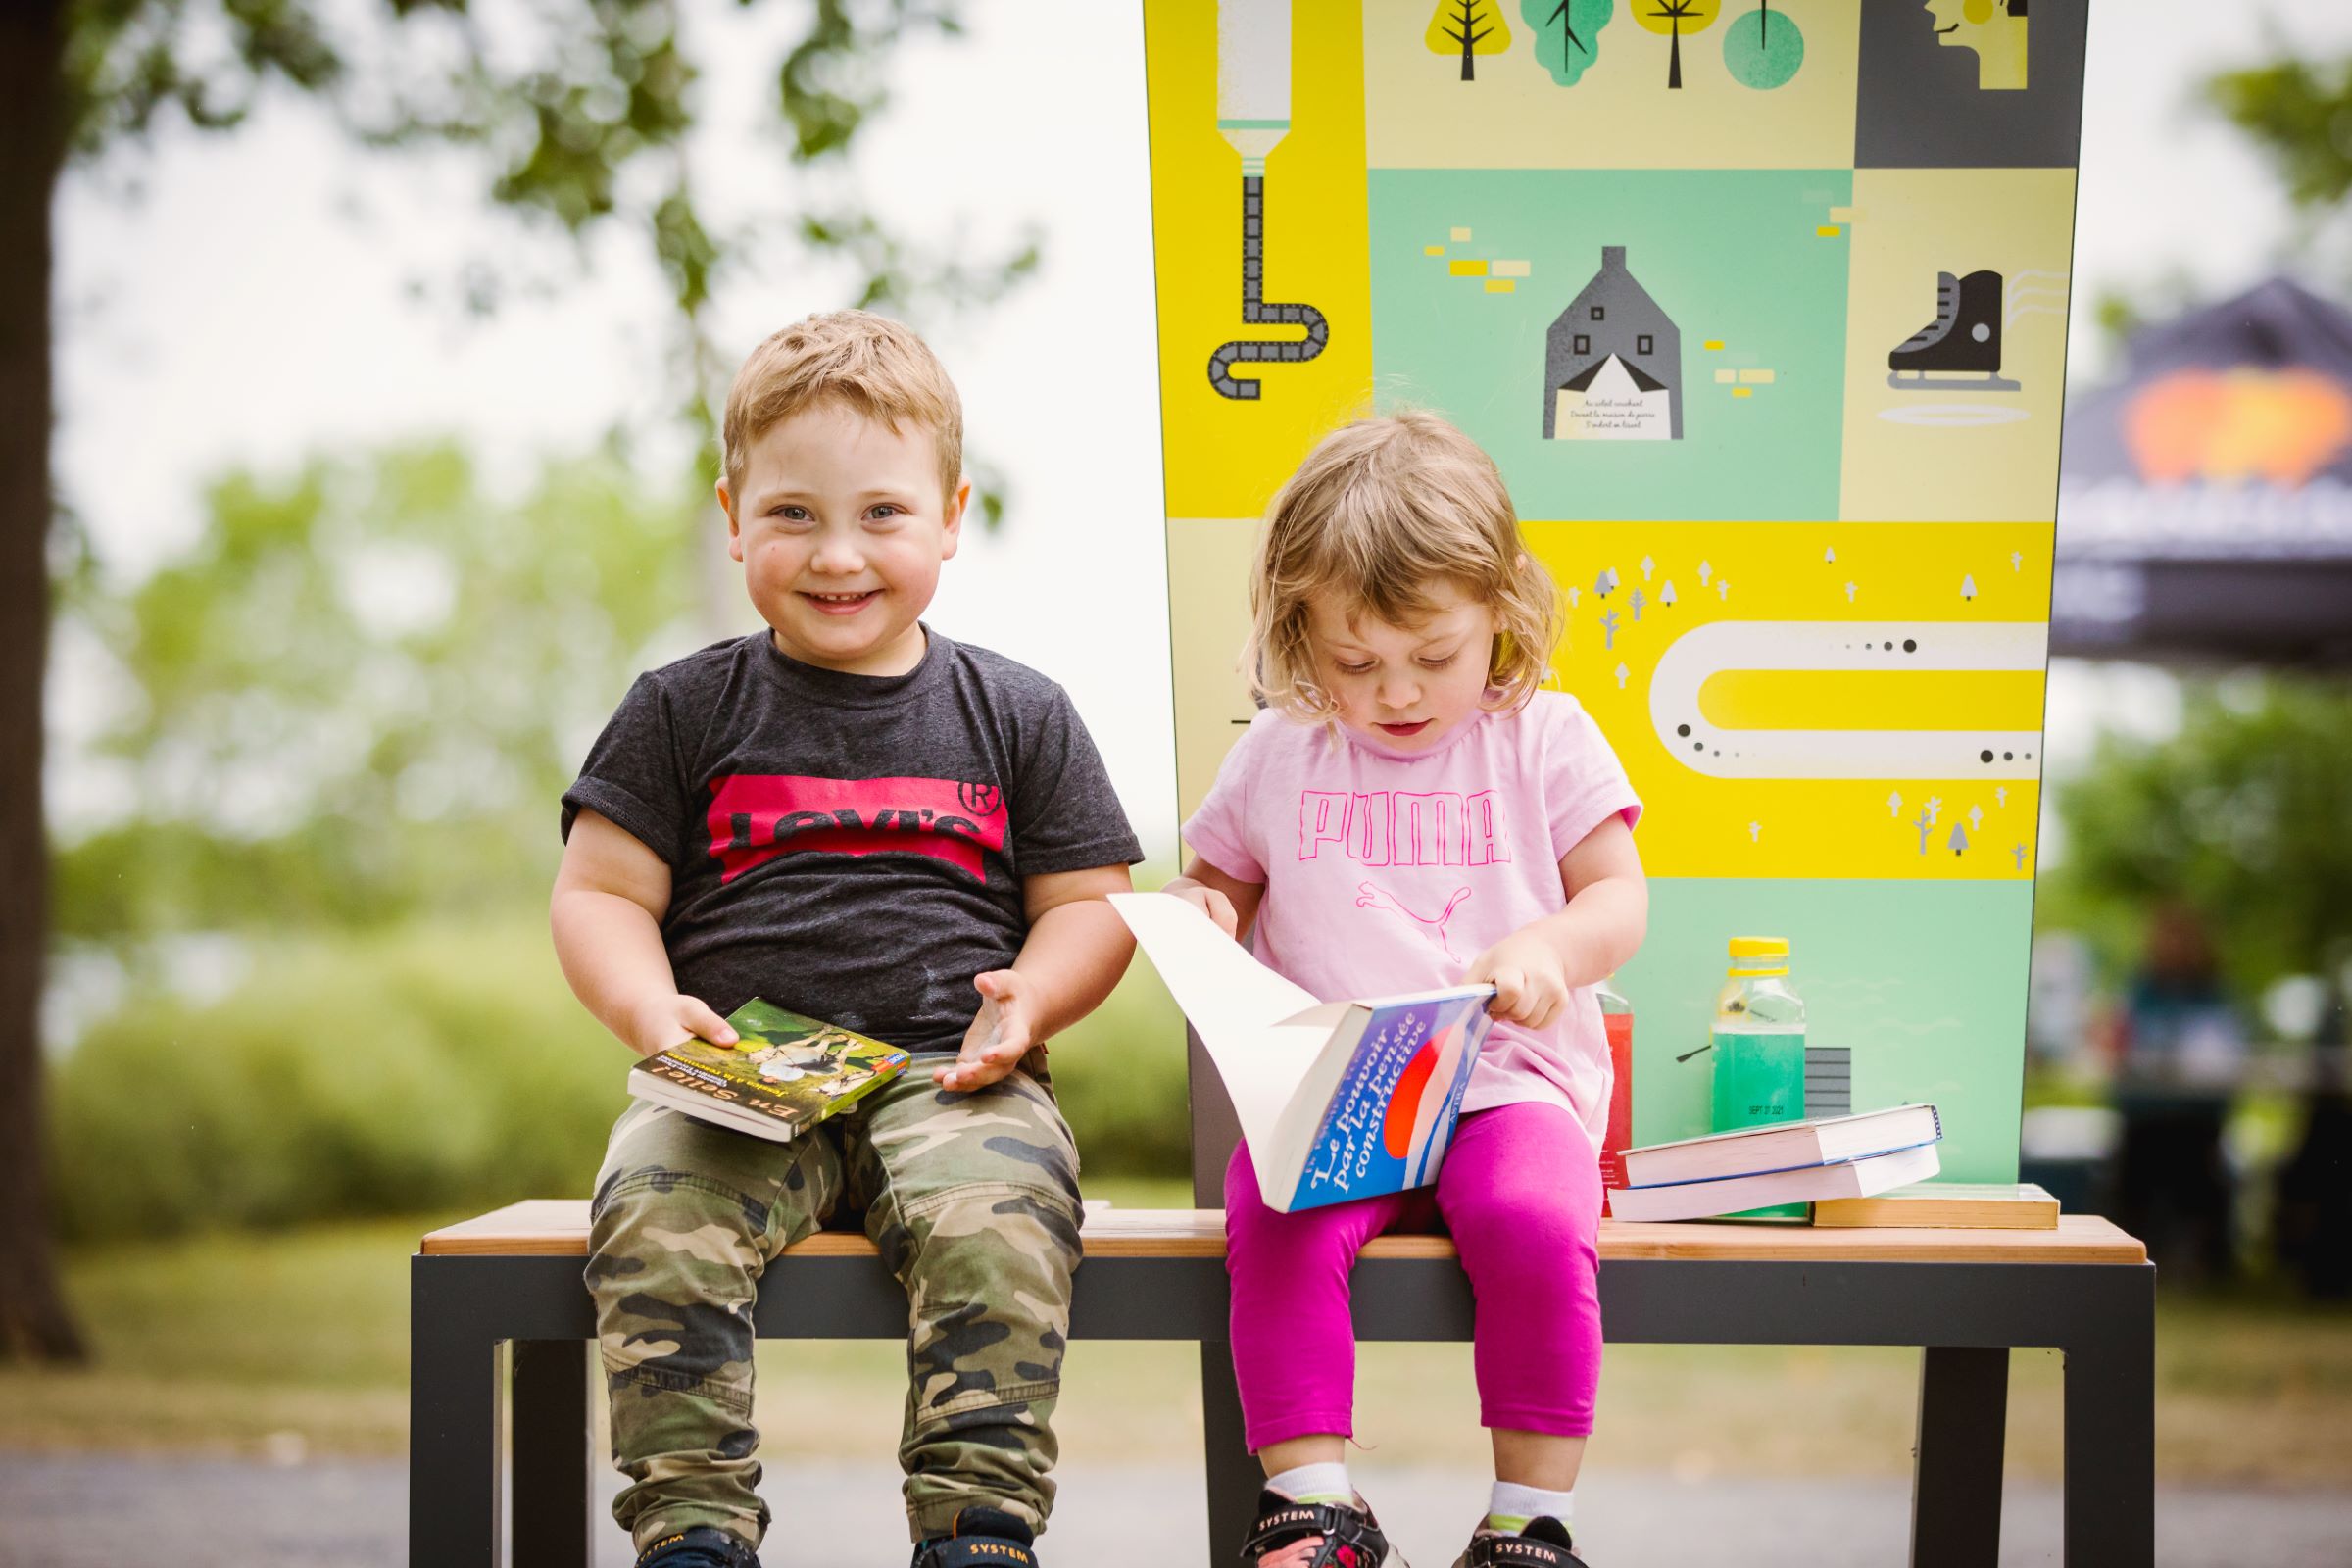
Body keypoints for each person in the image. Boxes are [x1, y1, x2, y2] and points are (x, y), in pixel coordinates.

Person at [550, 310, 1143, 1568]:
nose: (838, 554)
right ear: (732, 515)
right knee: (654, 1210)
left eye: (881, 514)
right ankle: (693, 1527)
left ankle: (978, 1524)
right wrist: (656, 1019)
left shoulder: (1018, 711)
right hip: (744, 1075)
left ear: (951, 513)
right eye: (793, 515)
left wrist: (1032, 1001)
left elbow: (1090, 904)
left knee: (1000, 1216)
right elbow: (600, 895)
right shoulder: (682, 708)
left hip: (953, 1068)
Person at [1165, 410, 1645, 1568]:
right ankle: (1317, 1505)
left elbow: (1618, 900)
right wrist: (1201, 914)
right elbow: (1212, 881)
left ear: (1502, 613)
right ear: (1301, 631)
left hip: (1502, 1083)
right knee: (1272, 1214)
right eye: (1354, 659)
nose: (1395, 690)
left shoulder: (1543, 736)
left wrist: (1548, 949)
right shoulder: (1281, 749)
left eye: (1433, 655)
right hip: (1338, 1093)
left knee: (1538, 1219)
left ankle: (1528, 1520)